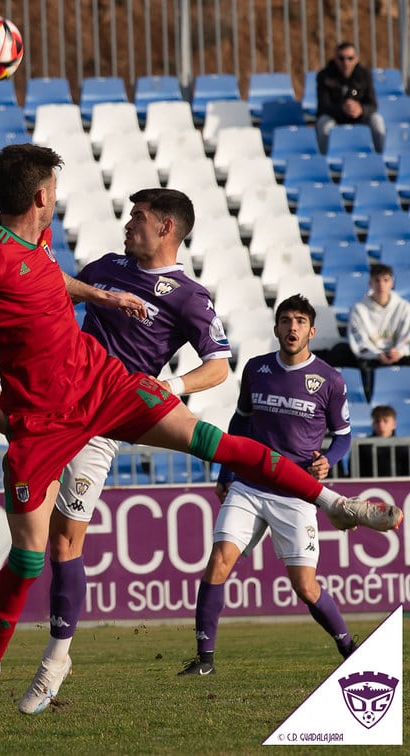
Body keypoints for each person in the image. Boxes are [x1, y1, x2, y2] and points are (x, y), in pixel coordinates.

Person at [0, 143, 402, 727]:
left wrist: (104, 302)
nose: (125, 222)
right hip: (41, 419)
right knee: (28, 555)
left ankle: (337, 503)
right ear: (43, 197)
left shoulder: (34, 242)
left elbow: (47, 281)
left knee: (219, 444)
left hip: (106, 386)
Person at [17, 187, 233, 715]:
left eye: (138, 217)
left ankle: (55, 661)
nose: (127, 223)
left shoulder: (188, 296)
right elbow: (52, 304)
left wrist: (174, 388)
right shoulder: (104, 266)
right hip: (54, 402)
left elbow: (220, 364)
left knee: (66, 542)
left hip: (103, 424)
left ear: (166, 229)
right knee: (30, 534)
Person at [180, 294, 356, 675]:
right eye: (285, 320)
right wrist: (226, 472)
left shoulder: (329, 379)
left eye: (300, 321)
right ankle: (204, 659)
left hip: (296, 493)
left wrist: (331, 458)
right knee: (218, 563)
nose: (292, 327)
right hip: (249, 485)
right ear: (275, 327)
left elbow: (343, 435)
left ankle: (348, 647)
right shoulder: (257, 369)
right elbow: (240, 425)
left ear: (312, 329)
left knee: (306, 588)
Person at [331, 263, 410, 401]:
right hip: (371, 357)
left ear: (391, 282)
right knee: (338, 352)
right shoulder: (359, 308)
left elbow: (407, 335)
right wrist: (377, 354)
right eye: (377, 280)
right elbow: (359, 339)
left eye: (385, 280)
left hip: (398, 356)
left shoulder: (404, 307)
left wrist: (399, 351)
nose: (381, 285)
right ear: (370, 283)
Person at [315, 41, 385, 152]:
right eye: (341, 58)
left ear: (356, 59)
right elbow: (323, 107)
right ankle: (325, 159)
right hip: (336, 117)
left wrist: (361, 109)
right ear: (335, 59)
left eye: (350, 58)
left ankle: (381, 157)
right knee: (323, 123)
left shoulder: (365, 75)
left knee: (377, 120)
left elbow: (372, 105)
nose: (345, 62)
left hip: (359, 117)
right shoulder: (324, 76)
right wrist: (342, 108)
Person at [356, 404, 410, 477]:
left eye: (385, 421)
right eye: (377, 421)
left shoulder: (404, 447)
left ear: (394, 424)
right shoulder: (362, 447)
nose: (381, 424)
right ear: (373, 424)